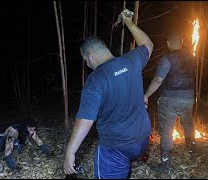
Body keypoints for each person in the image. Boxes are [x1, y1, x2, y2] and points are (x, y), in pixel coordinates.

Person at [63, 9, 154, 179]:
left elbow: (85, 120)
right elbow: (148, 44)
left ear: (90, 56)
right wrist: (129, 23)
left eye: (85, 60)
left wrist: (70, 152)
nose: (87, 64)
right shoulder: (132, 60)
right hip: (141, 140)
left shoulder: (95, 80)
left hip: (116, 148)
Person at [144, 32, 197, 173]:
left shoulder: (166, 59)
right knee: (187, 123)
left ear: (168, 44)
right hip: (189, 99)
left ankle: (166, 165)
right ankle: (192, 148)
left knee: (166, 132)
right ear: (182, 40)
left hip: (170, 100)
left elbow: (158, 80)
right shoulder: (193, 57)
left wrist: (146, 95)